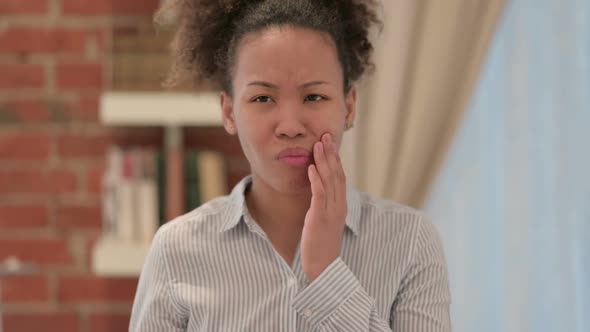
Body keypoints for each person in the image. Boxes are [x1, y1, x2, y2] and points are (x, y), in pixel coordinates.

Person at [130, 1, 451, 331]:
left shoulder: (410, 242)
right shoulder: (176, 251)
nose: (290, 126)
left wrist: (327, 273)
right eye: (263, 98)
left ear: (349, 106)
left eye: (313, 97)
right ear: (228, 112)